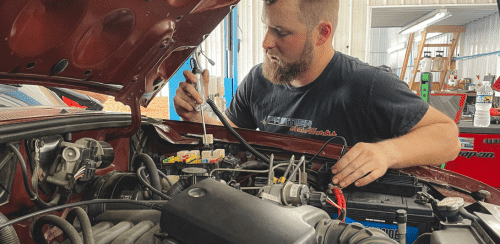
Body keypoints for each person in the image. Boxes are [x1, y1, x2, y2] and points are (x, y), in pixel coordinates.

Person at [174, 0, 461, 189]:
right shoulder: (257, 82)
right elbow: (238, 140)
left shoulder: (368, 85)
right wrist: (201, 117)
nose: (265, 42)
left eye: (280, 31)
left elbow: (448, 138)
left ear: (322, 34)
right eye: (266, 27)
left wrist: (386, 152)